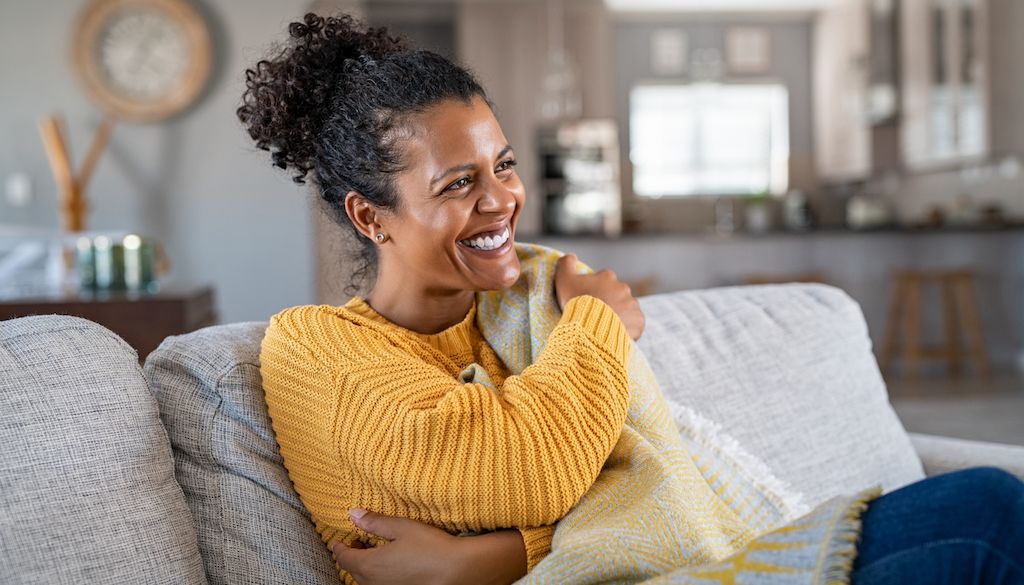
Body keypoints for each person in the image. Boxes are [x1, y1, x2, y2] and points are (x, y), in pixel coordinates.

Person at [241, 13, 1024, 585]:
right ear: (370, 215)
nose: (503, 199)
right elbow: (527, 467)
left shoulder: (522, 302)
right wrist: (600, 322)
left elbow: (636, 473)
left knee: (989, 501)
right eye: (459, 182)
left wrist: (491, 556)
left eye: (504, 165)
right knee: (991, 522)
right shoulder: (313, 345)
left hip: (699, 565)